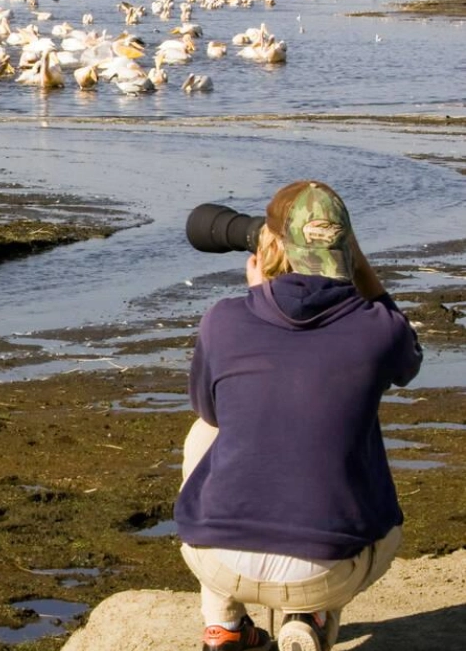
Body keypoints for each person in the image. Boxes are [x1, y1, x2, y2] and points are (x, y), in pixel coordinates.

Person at [174, 180, 423, 651]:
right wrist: (359, 263)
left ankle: (224, 627)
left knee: (207, 431)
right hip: (329, 569)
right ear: (345, 250)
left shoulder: (223, 320)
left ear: (271, 245)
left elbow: (212, 411)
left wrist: (257, 300)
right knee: (341, 427)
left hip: (218, 562)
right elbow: (408, 355)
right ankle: (309, 613)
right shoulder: (378, 331)